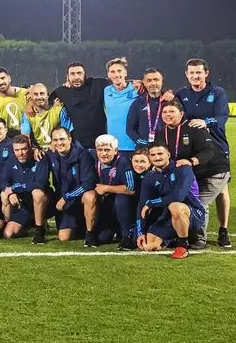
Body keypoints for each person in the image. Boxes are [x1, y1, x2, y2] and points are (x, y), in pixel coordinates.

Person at [153, 100, 225, 248]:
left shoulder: (193, 127)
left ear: (181, 113)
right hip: (188, 174)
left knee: (199, 203)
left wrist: (191, 161)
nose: (168, 115)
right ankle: (180, 234)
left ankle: (200, 238)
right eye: (165, 112)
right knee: (181, 202)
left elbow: (209, 151)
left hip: (212, 171)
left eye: (171, 111)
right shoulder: (161, 132)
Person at [136, 142, 207, 259]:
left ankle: (183, 246)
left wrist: (152, 203)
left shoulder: (183, 168)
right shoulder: (150, 176)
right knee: (149, 246)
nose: (157, 157)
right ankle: (171, 238)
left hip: (193, 212)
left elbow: (178, 197)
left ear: (168, 154)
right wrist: (140, 232)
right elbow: (142, 203)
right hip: (167, 215)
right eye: (153, 155)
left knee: (175, 206)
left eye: (160, 154)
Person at [45, 127, 98, 245]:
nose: (59, 143)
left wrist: (67, 197)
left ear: (70, 139)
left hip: (78, 198)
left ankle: (90, 233)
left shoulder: (83, 155)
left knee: (90, 196)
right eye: (55, 140)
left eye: (62, 139)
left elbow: (88, 183)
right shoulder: (50, 155)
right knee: (64, 237)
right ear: (52, 142)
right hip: (64, 203)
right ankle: (80, 226)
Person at [91, 136, 142, 250]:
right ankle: (115, 228)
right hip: (107, 204)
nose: (103, 153)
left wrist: (106, 188)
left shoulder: (123, 162)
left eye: (107, 150)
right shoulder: (92, 159)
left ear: (115, 151)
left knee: (121, 197)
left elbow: (130, 188)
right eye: (100, 150)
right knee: (102, 238)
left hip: (125, 204)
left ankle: (127, 234)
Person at [1, 135, 51, 244]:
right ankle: (27, 225)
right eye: (17, 150)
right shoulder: (11, 159)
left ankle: (39, 230)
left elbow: (40, 183)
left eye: (24, 149)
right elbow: (3, 181)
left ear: (30, 148)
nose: (21, 153)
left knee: (37, 192)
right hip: (25, 206)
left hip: (45, 203)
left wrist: (14, 188)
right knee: (8, 234)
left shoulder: (40, 158)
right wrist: (10, 194)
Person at [49, 62, 109, 150]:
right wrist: (30, 104)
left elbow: (117, 82)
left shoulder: (97, 84)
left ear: (85, 75)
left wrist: (136, 83)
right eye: (72, 74)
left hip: (101, 143)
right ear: (67, 77)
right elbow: (43, 102)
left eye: (79, 73)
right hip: (78, 145)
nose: (76, 77)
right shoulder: (62, 91)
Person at [21, 83, 73, 151]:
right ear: (31, 97)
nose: (39, 97)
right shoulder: (27, 114)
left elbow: (66, 134)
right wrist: (33, 150)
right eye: (36, 94)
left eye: (42, 93)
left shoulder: (59, 110)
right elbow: (25, 137)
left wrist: (51, 149)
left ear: (48, 95)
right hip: (40, 153)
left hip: (59, 150)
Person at [126, 68, 168, 149]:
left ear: (162, 81)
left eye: (156, 80)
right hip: (143, 150)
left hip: (165, 149)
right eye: (149, 80)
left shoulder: (169, 101)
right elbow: (130, 129)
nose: (153, 83)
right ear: (144, 82)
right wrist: (141, 142)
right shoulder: (138, 103)